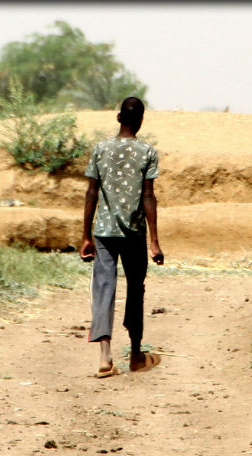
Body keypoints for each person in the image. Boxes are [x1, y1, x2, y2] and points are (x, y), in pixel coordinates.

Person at [79, 95, 164, 377]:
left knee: (104, 289)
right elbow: (149, 197)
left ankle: (105, 358)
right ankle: (136, 354)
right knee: (135, 290)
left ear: (118, 118)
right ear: (140, 121)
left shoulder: (100, 149)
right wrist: (154, 241)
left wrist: (85, 236)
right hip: (135, 233)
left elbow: (91, 193)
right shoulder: (147, 152)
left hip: (103, 232)